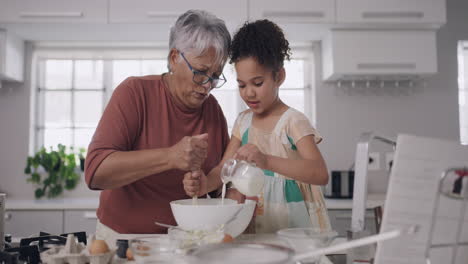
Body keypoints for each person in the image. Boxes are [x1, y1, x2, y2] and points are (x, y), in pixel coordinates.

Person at [84, 10, 231, 238]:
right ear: (174, 58)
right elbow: (95, 172)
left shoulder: (213, 110)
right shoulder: (134, 93)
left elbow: (223, 183)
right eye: (200, 73)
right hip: (125, 240)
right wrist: (171, 156)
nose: (207, 86)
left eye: (215, 75)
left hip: (190, 241)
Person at [183, 19, 331, 233]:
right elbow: (225, 169)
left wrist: (266, 161)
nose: (249, 93)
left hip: (293, 228)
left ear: (278, 77)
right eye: (241, 85)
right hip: (255, 222)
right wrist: (205, 184)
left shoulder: (292, 121)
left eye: (257, 83)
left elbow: (319, 173)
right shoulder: (243, 122)